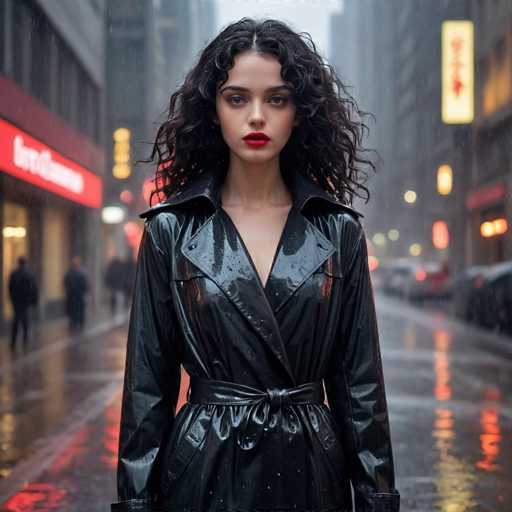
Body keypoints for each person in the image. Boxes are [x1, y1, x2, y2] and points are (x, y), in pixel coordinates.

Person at [112, 18, 400, 512]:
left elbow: (360, 390)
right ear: (213, 110)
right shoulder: (171, 230)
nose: (257, 117)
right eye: (237, 98)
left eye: (277, 99)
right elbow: (147, 390)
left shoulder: (338, 232)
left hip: (310, 470)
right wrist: (136, 503)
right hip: (204, 470)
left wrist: (376, 499)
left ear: (299, 111)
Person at [8, 256, 38, 351]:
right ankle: (25, 339)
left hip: (16, 301)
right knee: (25, 319)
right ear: (25, 263)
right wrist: (34, 301)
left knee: (16, 319)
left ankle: (13, 341)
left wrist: (11, 299)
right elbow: (34, 289)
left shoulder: (14, 274)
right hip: (25, 301)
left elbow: (10, 288)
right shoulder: (29, 274)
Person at [63, 255, 89, 332]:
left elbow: (65, 283)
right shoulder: (82, 273)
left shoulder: (69, 273)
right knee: (79, 310)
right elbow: (85, 285)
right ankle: (79, 322)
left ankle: (73, 322)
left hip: (71, 295)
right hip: (79, 295)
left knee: (72, 310)